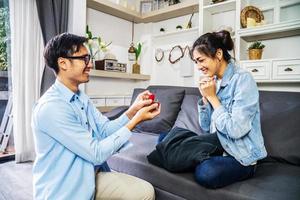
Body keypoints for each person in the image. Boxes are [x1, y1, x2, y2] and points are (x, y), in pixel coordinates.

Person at [31, 33, 160, 200]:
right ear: (63, 63)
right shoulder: (51, 108)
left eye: (89, 58)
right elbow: (96, 153)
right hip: (65, 191)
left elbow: (105, 129)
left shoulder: (80, 97)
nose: (90, 64)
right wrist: (136, 121)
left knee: (145, 192)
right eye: (84, 58)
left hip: (90, 175)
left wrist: (133, 111)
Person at [191, 30, 267, 188]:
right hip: (218, 146)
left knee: (206, 172)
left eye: (201, 60)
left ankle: (196, 159)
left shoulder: (243, 79)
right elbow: (205, 128)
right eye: (195, 62)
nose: (198, 67)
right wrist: (205, 99)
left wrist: (213, 97)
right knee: (166, 139)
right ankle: (194, 157)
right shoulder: (214, 81)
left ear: (218, 54)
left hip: (240, 156)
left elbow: (236, 129)